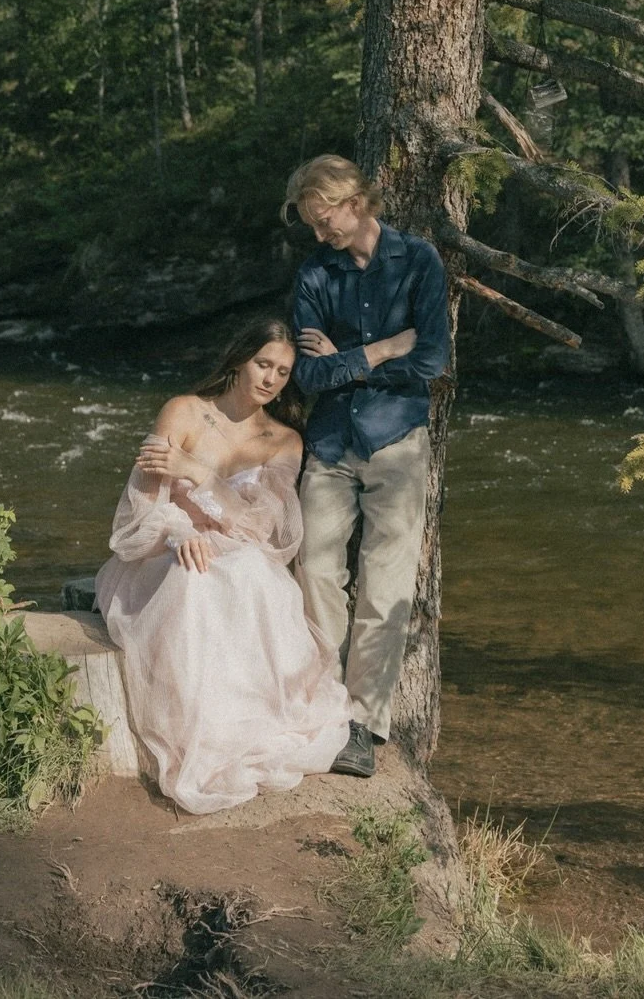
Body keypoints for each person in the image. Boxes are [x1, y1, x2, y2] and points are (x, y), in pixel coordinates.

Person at [95, 317, 351, 814]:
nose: (271, 379)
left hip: (239, 551)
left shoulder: (284, 441)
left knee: (255, 576)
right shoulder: (184, 412)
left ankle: (245, 724)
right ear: (239, 359)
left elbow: (263, 526)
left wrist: (198, 474)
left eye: (282, 371)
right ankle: (198, 732)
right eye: (263, 364)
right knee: (194, 579)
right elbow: (138, 513)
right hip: (160, 549)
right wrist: (180, 533)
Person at [284, 155, 450, 779]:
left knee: (387, 583)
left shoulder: (419, 261)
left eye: (325, 221)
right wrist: (382, 348)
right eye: (312, 225)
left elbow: (431, 359)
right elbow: (308, 372)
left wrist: (345, 359)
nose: (319, 234)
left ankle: (361, 724)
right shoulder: (314, 273)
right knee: (315, 570)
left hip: (397, 439)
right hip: (329, 441)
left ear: (356, 203)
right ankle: (323, 704)